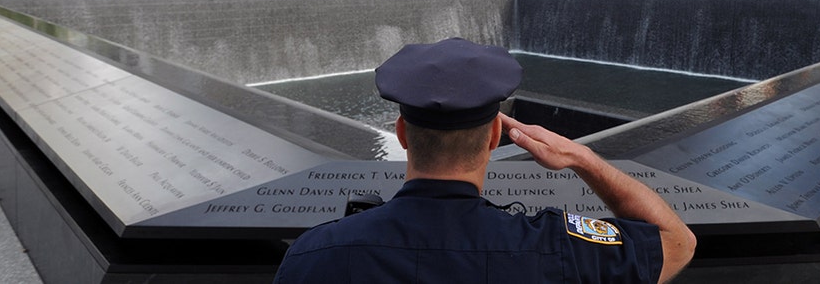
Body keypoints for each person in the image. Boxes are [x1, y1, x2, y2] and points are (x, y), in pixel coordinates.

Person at [274, 38, 695, 283]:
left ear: (401, 134)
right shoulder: (555, 249)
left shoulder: (313, 257)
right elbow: (678, 243)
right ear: (495, 136)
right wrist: (584, 159)